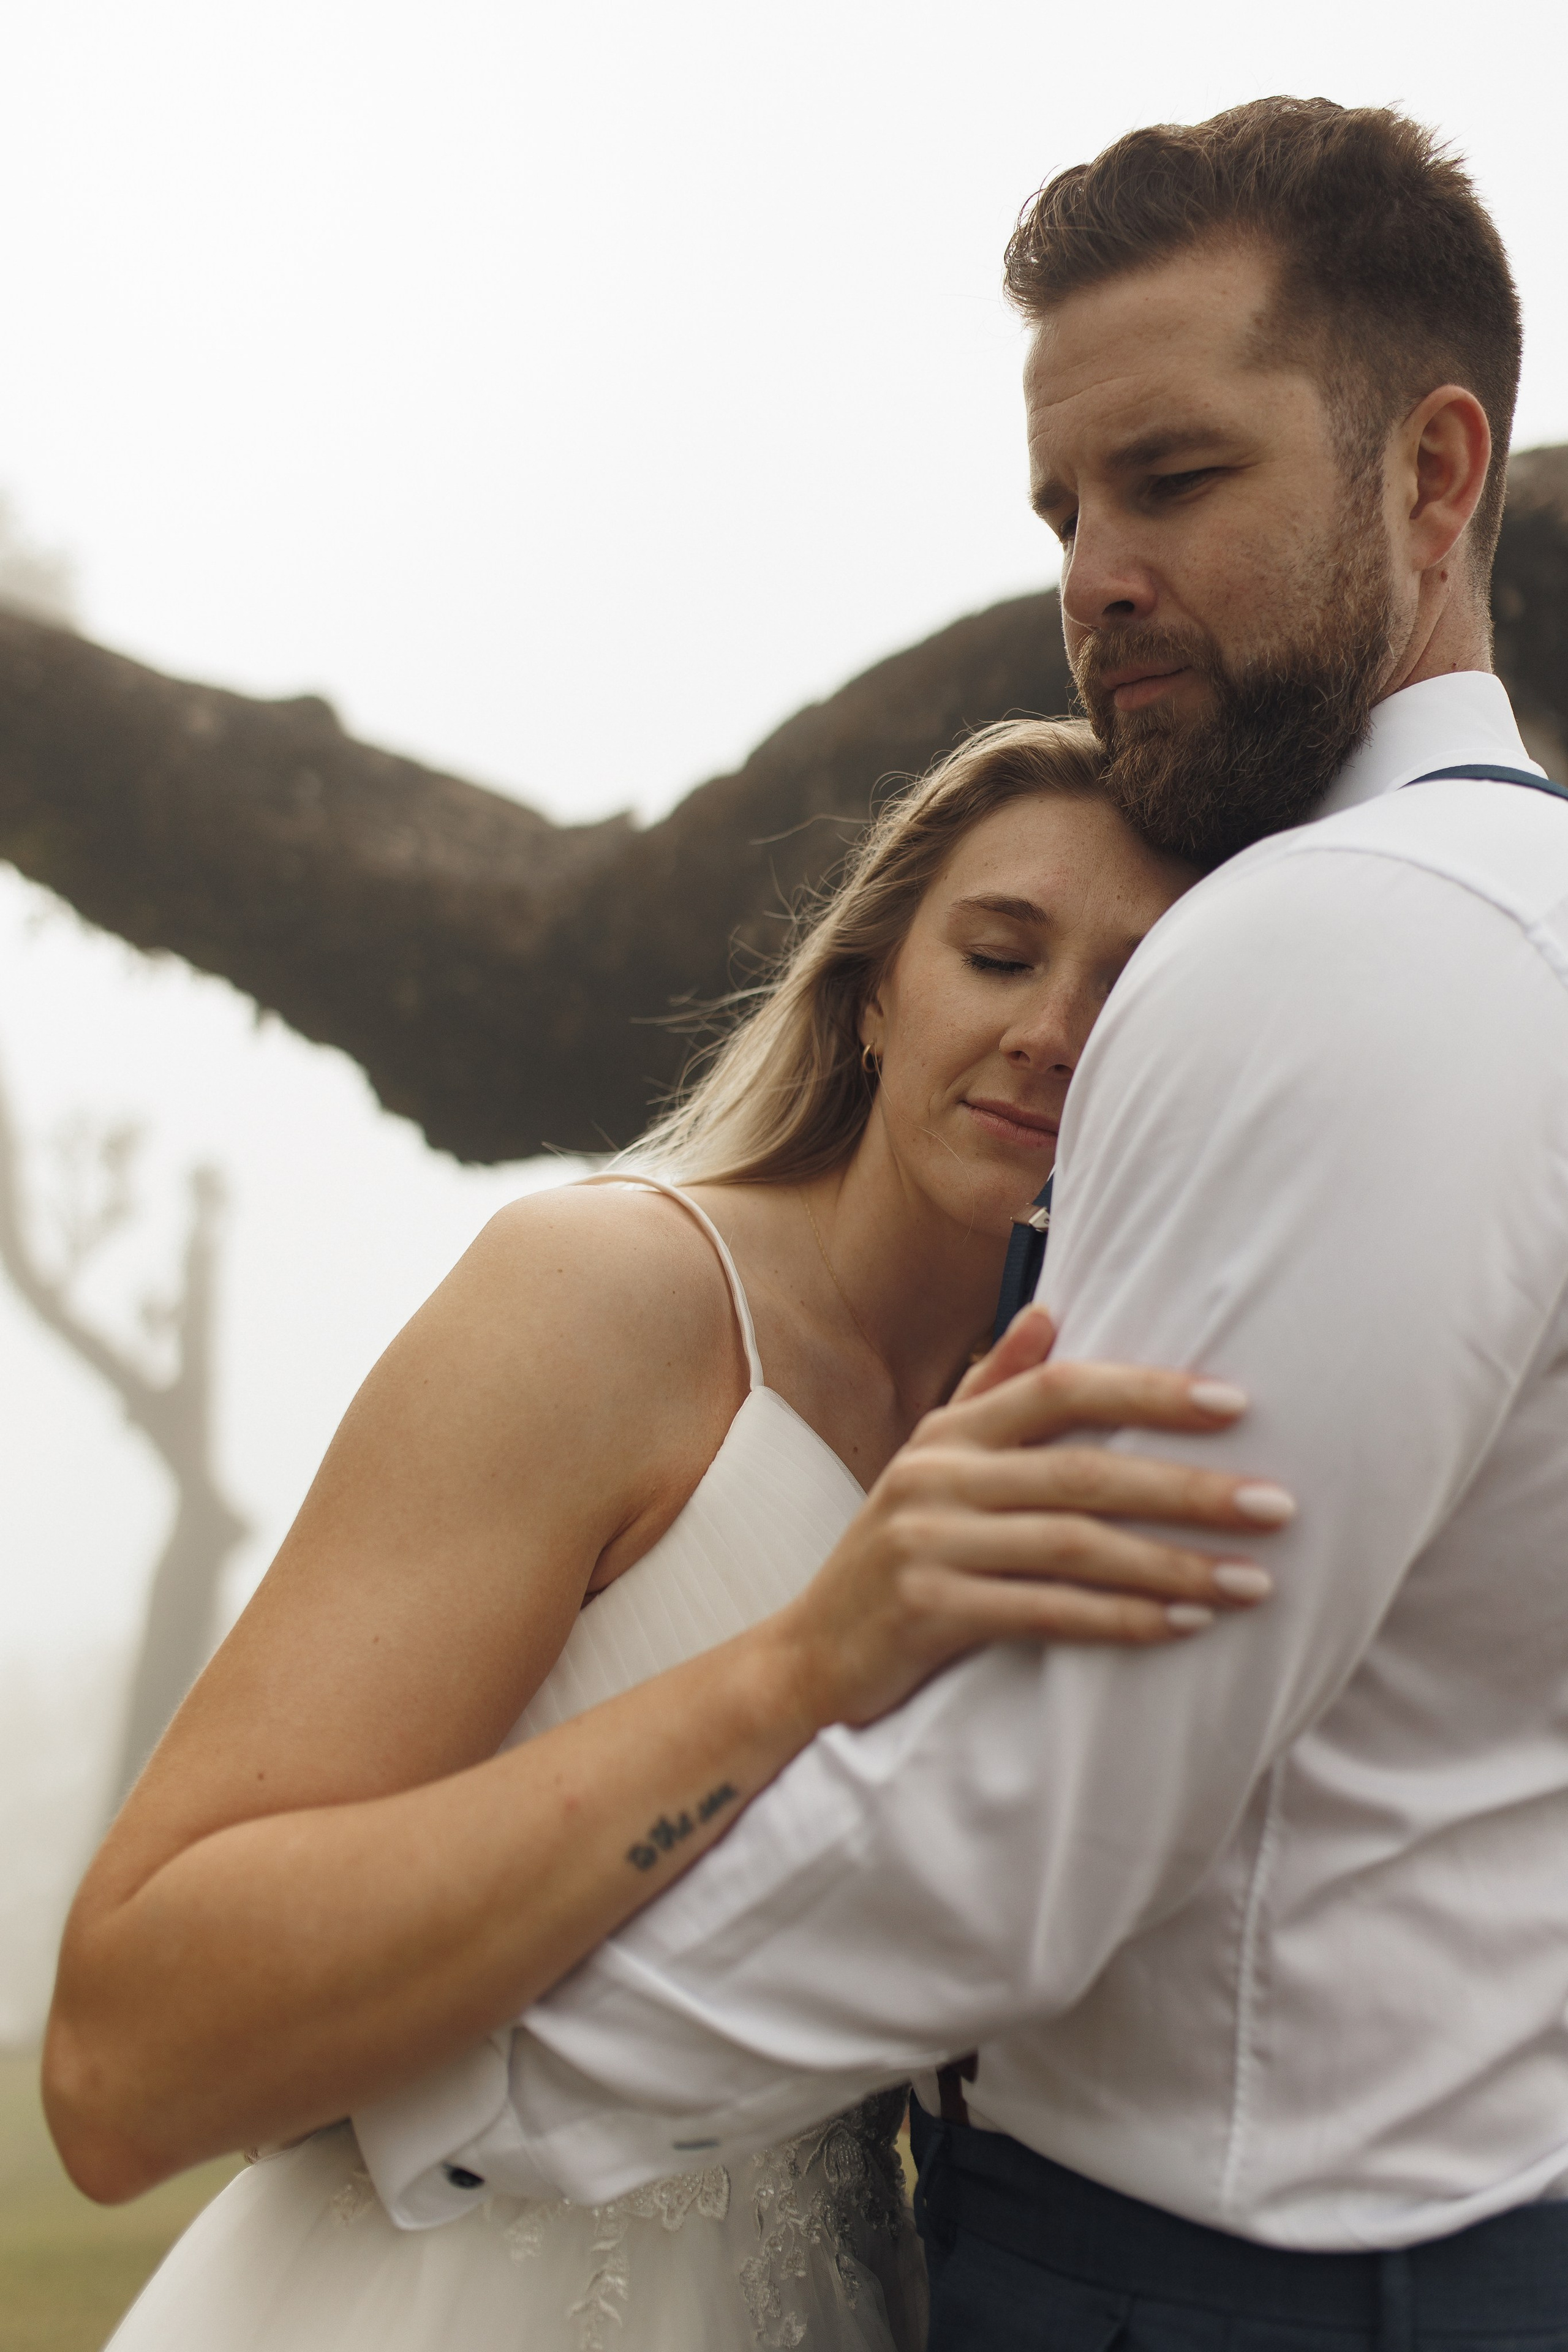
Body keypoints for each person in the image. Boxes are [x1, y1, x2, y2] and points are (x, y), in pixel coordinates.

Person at [341, 99, 1568, 2352]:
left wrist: (428, 2085)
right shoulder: (1514, 917)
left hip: (1209, 2287)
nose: (1094, 571)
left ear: (1432, 471)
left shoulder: (1340, 938)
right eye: (1064, 505)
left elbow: (1038, 1826)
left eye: (1176, 482)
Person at [43, 717, 1284, 2352]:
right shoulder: (606, 1299)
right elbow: (122, 2063)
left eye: (1134, 993)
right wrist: (800, 1668)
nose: (1056, 1031)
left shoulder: (1094, 1421)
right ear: (869, 996)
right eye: (998, 954)